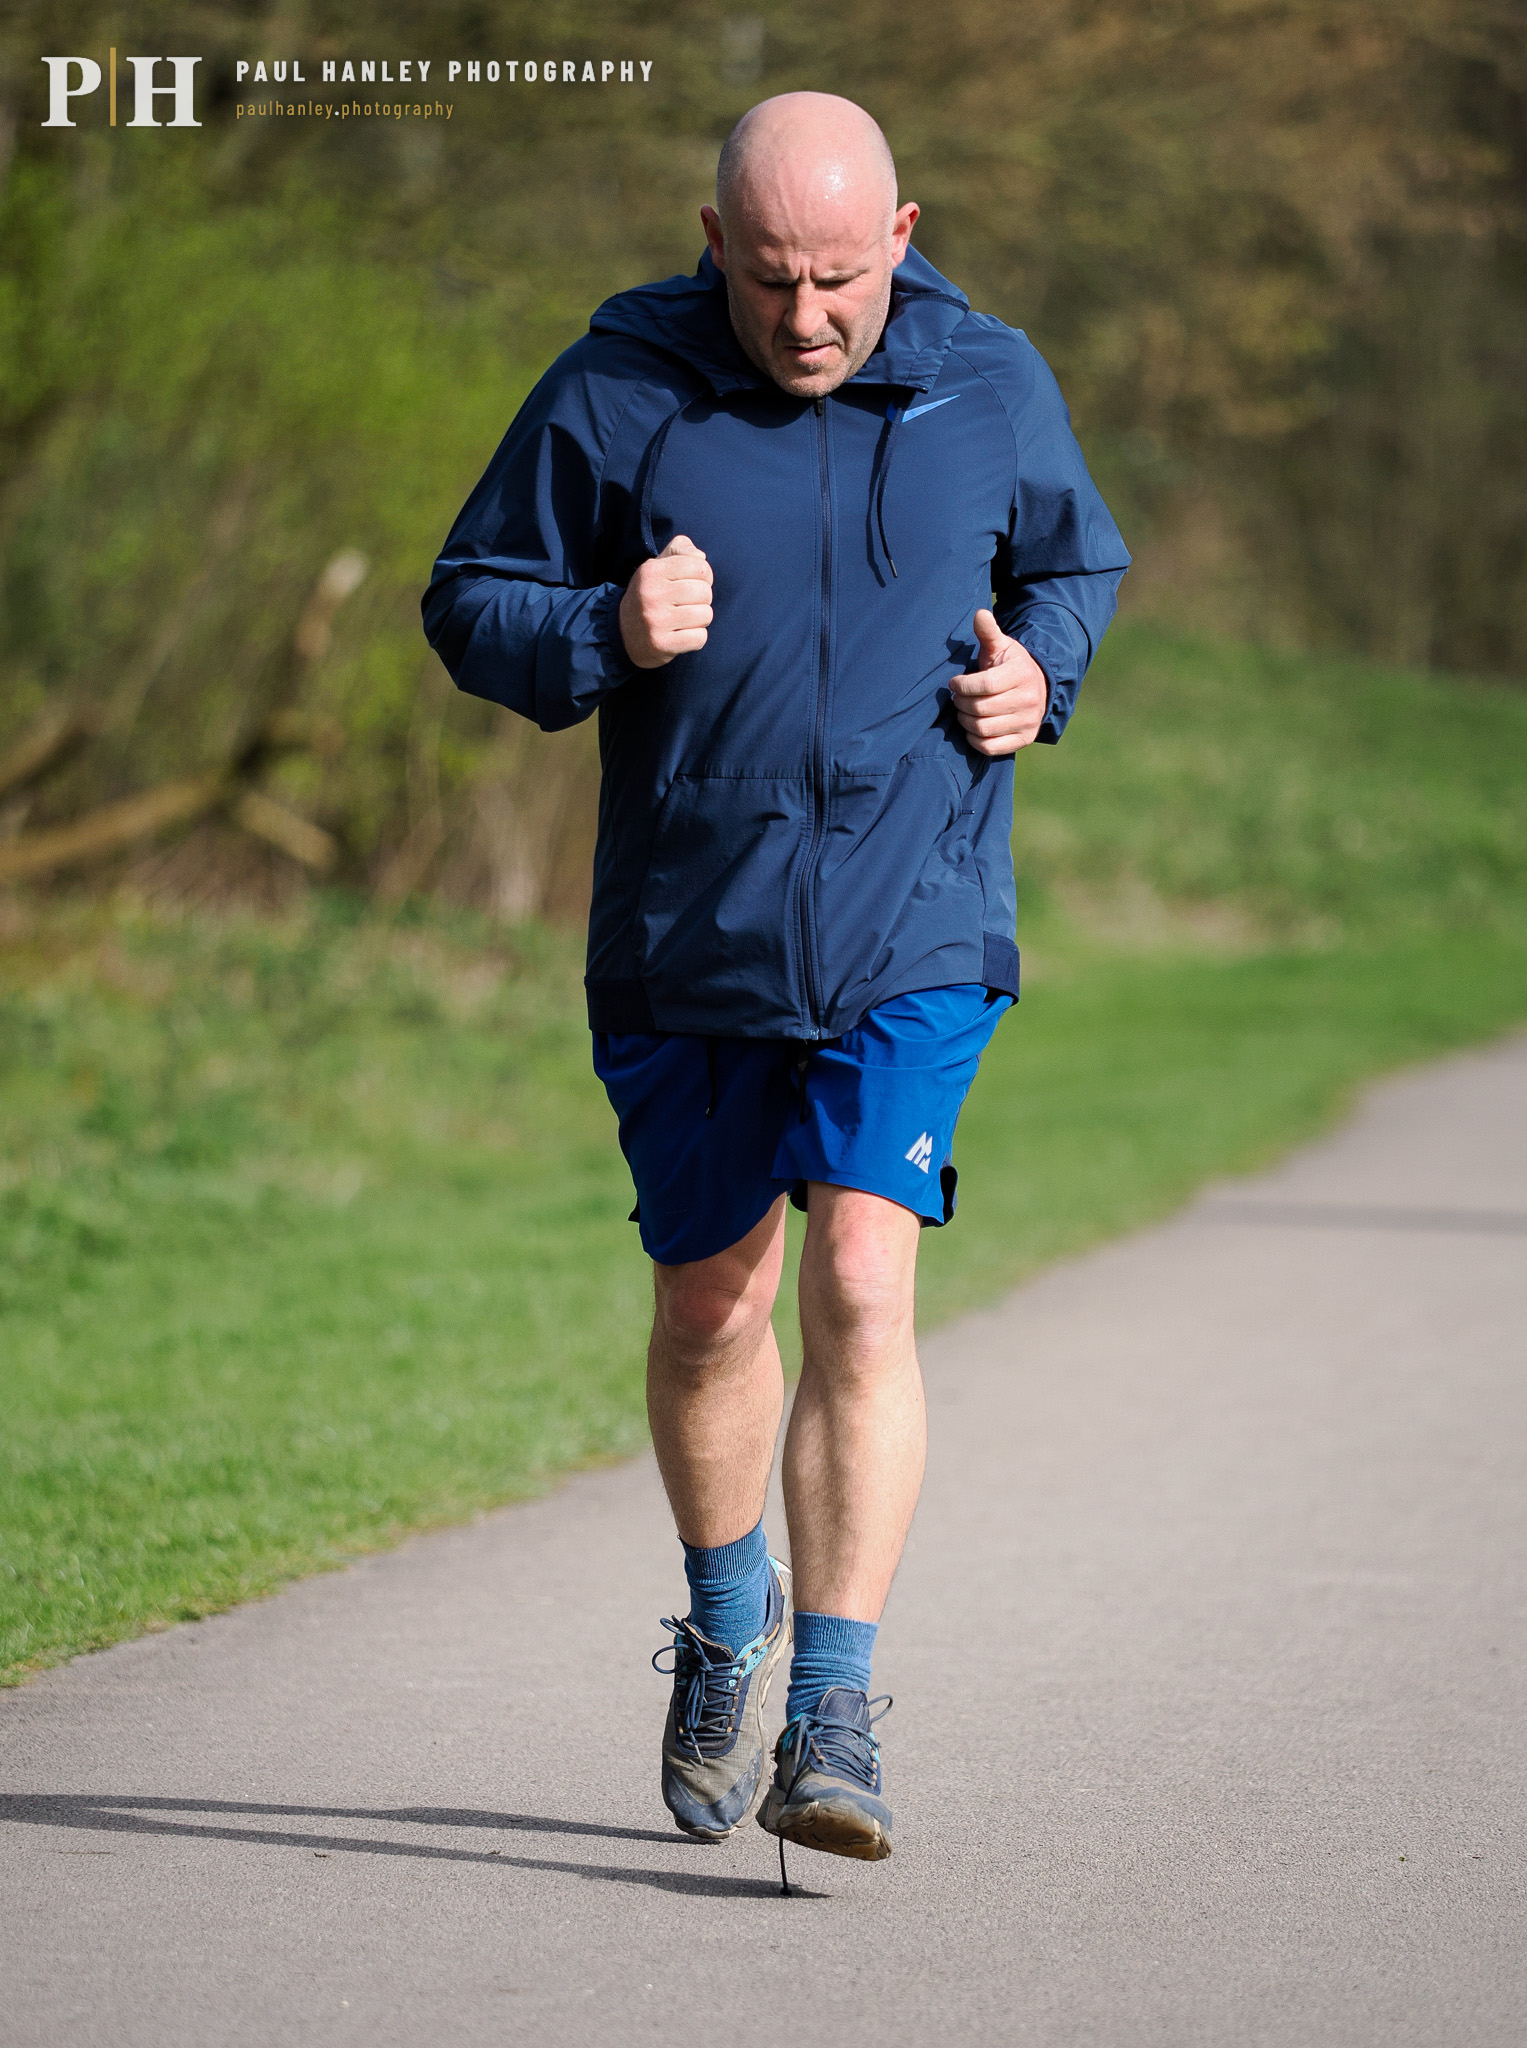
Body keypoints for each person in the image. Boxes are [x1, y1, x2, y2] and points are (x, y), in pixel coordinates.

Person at [422, 91, 1129, 1864]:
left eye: (839, 280)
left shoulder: (991, 382)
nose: (807, 321)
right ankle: (728, 1623)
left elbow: (1077, 566)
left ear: (902, 236)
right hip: (690, 929)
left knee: (866, 1296)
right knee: (713, 1309)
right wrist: (599, 629)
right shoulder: (618, 388)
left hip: (914, 917)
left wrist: (1042, 676)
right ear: (711, 246)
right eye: (770, 283)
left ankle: (836, 1703)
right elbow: (469, 593)